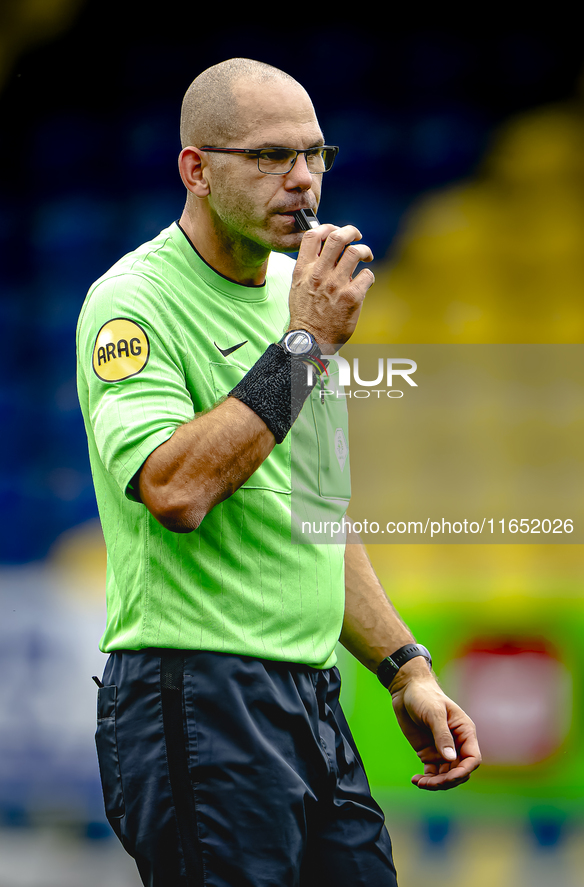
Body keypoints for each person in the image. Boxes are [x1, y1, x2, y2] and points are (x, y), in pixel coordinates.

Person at [77, 58, 481, 887]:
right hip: (196, 697)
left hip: (313, 698)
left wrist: (405, 667)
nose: (303, 181)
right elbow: (174, 491)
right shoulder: (133, 303)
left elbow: (316, 510)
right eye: (269, 157)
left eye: (315, 155)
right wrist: (306, 349)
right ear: (196, 168)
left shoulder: (296, 299)